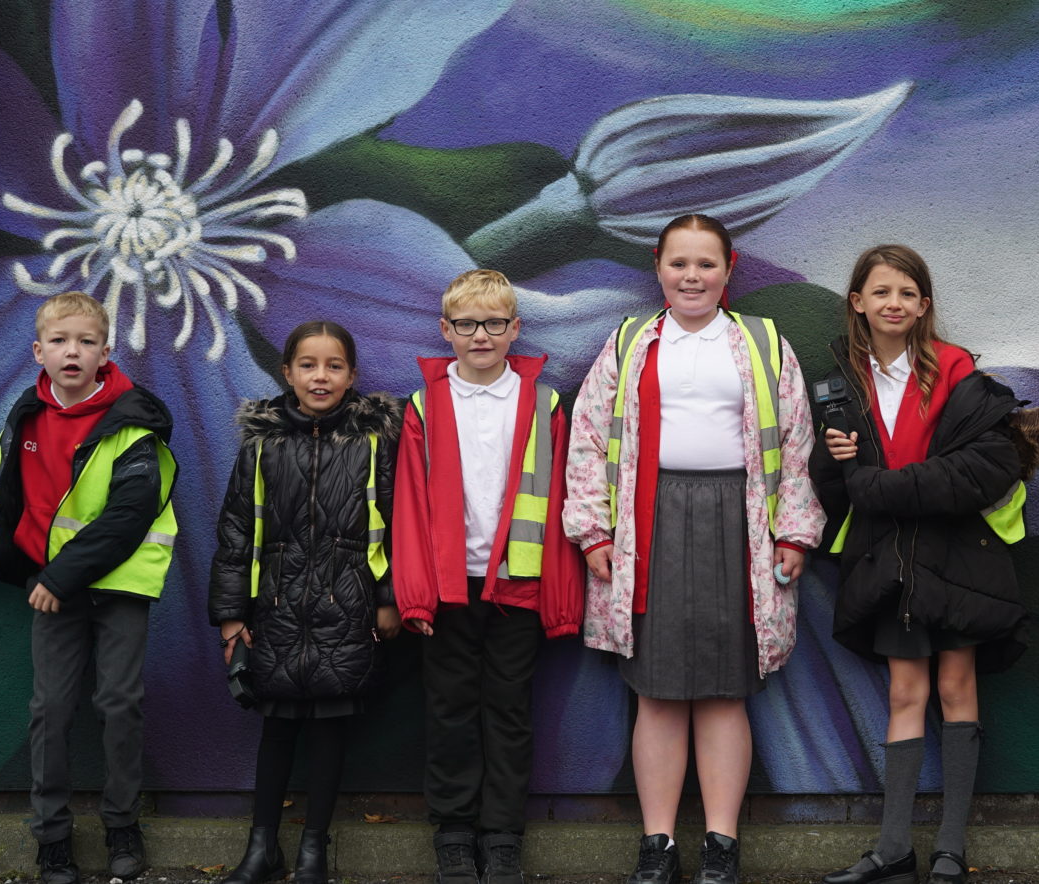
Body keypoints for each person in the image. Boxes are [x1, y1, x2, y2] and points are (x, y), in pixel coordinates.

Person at [564, 214, 824, 884]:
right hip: (649, 529)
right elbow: (589, 437)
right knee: (656, 694)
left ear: (728, 269)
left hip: (739, 528)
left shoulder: (764, 345)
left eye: (705, 264)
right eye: (679, 263)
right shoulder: (629, 344)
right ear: (658, 266)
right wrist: (593, 530)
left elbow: (795, 441)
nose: (691, 276)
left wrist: (794, 530)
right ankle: (657, 845)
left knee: (725, 692)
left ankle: (720, 844)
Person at [812, 245, 1039, 884]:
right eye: (881, 292)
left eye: (908, 294)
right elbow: (831, 488)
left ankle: (949, 848)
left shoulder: (958, 374)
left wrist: (874, 485)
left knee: (956, 688)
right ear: (858, 301)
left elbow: (981, 469)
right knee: (906, 692)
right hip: (889, 561)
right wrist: (836, 461)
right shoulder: (842, 381)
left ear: (925, 306)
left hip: (957, 556)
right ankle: (892, 848)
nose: (894, 304)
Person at [0, 292, 177, 884]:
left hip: (116, 589)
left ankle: (122, 826)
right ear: (39, 351)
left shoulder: (132, 419)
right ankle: (52, 837)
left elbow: (131, 513)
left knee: (118, 705)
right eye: (59, 341)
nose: (71, 351)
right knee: (49, 710)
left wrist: (59, 576)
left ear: (106, 352)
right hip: (52, 590)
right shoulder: (28, 414)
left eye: (84, 341)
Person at [392, 269, 583, 884]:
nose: (481, 335)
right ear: (446, 330)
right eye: (468, 324)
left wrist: (558, 601)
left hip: (516, 588)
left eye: (494, 324)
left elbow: (556, 505)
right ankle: (453, 835)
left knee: (508, 711)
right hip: (450, 591)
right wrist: (416, 597)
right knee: (448, 711)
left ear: (515, 330)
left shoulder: (545, 403)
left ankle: (501, 839)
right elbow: (409, 508)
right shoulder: (426, 403)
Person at [208, 321, 403, 884]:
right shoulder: (263, 443)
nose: (321, 376)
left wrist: (388, 599)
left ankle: (313, 850)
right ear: (287, 372)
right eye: (309, 365)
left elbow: (396, 524)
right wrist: (231, 617)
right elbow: (236, 531)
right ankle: (261, 846)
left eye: (334, 365)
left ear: (352, 375)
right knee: (278, 728)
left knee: (330, 728)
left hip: (349, 606)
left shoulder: (374, 441)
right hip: (276, 608)